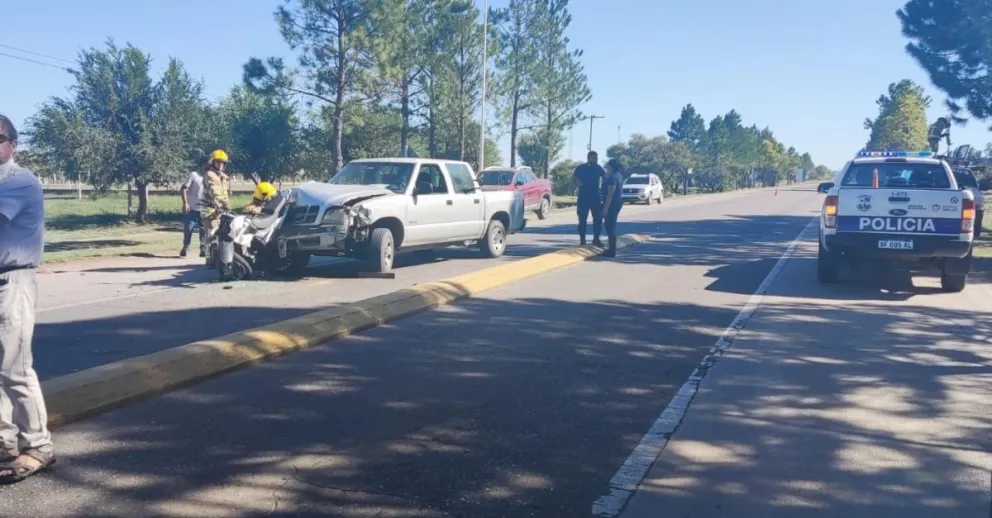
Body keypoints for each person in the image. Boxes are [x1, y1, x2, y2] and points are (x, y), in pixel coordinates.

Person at [0, 114, 56, 483]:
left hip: (12, 280)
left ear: (13, 144)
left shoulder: (20, 181)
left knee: (14, 367)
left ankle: (38, 445)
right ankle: (4, 441)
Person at [200, 150, 232, 265]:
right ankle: (210, 261)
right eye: (218, 162)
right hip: (210, 211)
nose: (220, 165)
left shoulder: (222, 177)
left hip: (219, 210)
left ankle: (217, 259)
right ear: (212, 162)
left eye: (223, 163)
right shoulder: (210, 175)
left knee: (219, 236)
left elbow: (224, 193)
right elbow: (215, 192)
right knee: (211, 237)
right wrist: (225, 204)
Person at [572, 150, 605, 246]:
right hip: (583, 196)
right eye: (594, 158)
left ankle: (596, 238)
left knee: (597, 219)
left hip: (595, 196)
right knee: (582, 219)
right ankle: (582, 240)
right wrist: (577, 183)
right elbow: (574, 178)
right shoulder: (581, 168)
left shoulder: (598, 168)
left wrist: (602, 188)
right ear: (589, 158)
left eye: (596, 158)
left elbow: (605, 177)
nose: (596, 160)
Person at [179, 163, 206, 258]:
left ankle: (203, 249)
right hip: (191, 208)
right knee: (188, 228)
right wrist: (185, 203)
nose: (207, 167)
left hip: (205, 209)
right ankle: (186, 246)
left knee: (204, 230)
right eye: (205, 165)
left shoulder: (210, 177)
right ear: (201, 165)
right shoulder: (194, 175)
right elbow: (183, 189)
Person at [600, 158, 625, 257]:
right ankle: (611, 249)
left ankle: (611, 251)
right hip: (618, 202)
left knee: (610, 226)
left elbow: (610, 193)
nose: (607, 169)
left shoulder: (612, 178)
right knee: (611, 225)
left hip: (612, 204)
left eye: (608, 167)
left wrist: (605, 208)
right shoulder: (618, 176)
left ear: (611, 167)